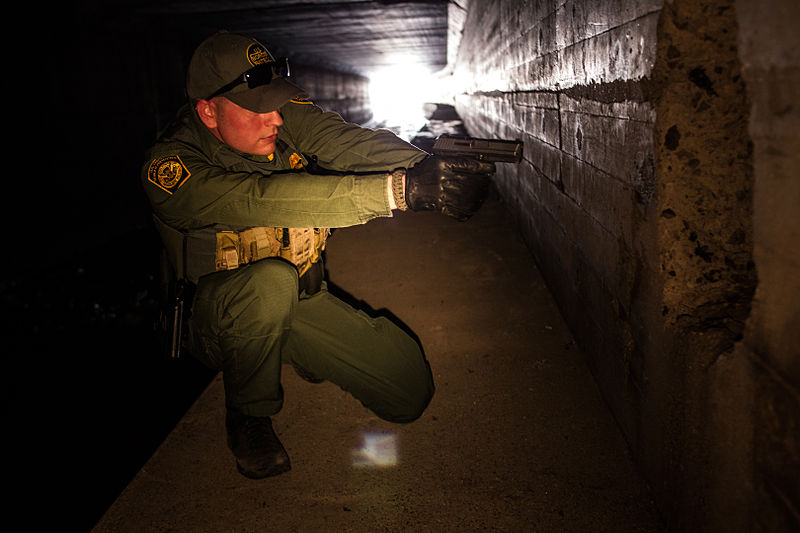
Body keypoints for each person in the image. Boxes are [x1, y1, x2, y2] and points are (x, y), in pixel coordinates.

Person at [141, 30, 495, 479]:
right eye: (257, 109)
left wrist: (427, 165)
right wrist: (397, 193)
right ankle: (248, 417)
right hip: (223, 321)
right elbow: (261, 199)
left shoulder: (277, 117)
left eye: (275, 103)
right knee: (267, 283)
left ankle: (301, 350)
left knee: (409, 392)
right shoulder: (169, 168)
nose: (275, 119)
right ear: (208, 111)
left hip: (300, 300)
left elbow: (341, 140)